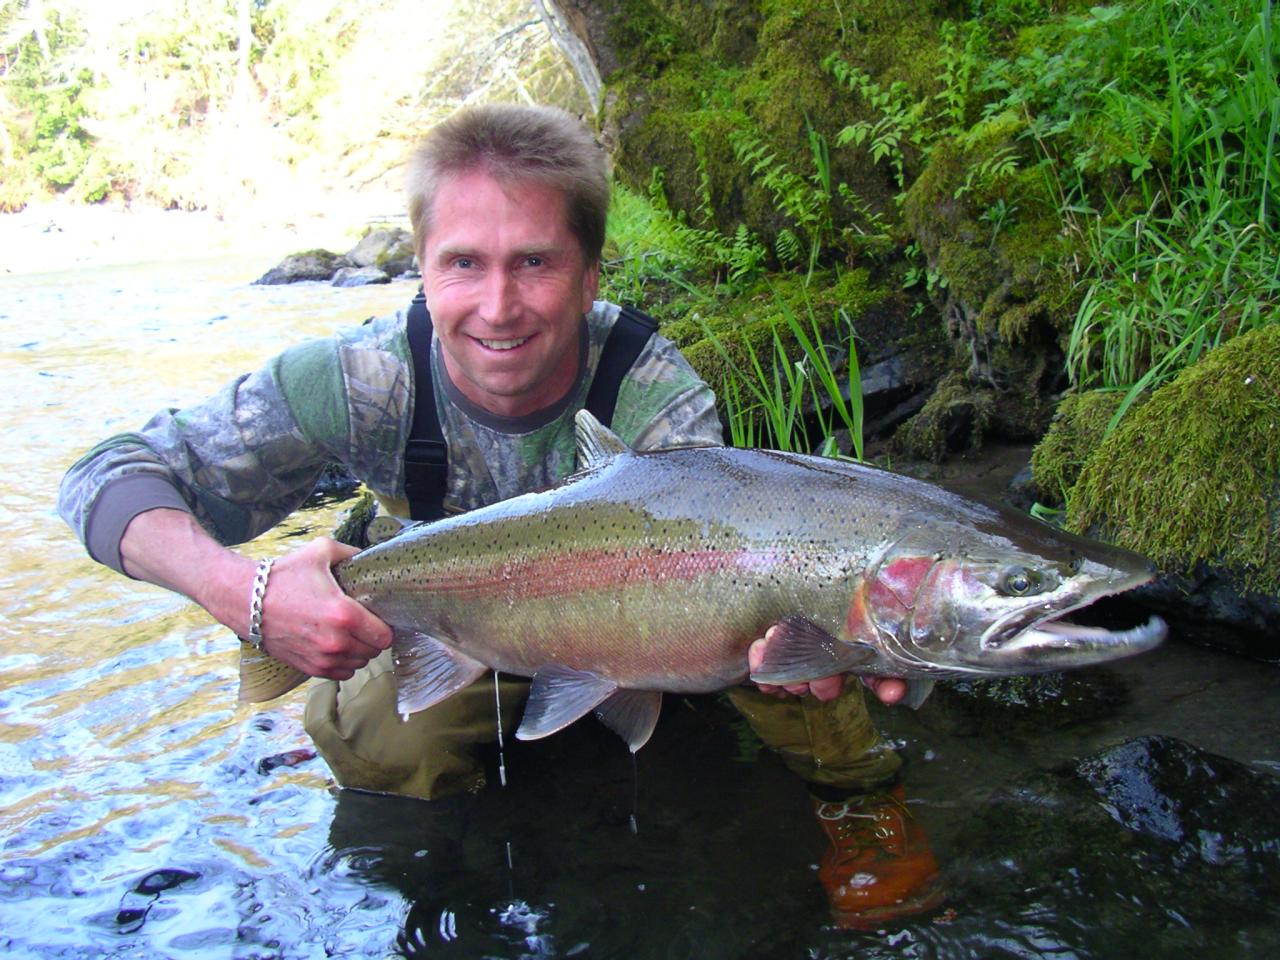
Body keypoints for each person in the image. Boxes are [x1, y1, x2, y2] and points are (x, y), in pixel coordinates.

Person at [58, 103, 940, 928]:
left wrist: (849, 636)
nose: (498, 305)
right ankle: (455, 856)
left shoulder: (655, 397)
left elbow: (757, 570)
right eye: (464, 264)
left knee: (780, 633)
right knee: (369, 735)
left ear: (590, 274)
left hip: (649, 630)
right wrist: (245, 595)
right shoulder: (363, 381)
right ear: (421, 268)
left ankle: (861, 801)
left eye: (535, 262)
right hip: (450, 622)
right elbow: (104, 477)